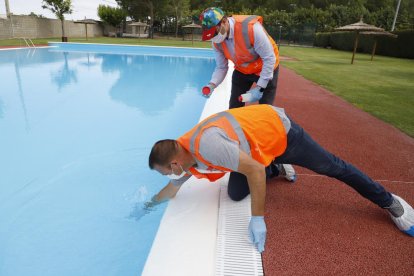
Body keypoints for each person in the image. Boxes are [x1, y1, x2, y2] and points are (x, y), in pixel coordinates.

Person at [148, 105, 414, 253]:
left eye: (167, 171)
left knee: (333, 167)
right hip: (257, 147)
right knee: (236, 193)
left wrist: (257, 218)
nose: (171, 175)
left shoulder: (207, 146)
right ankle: (276, 168)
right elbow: (174, 185)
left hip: (283, 136)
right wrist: (148, 207)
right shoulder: (183, 151)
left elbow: (252, 171)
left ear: (174, 163)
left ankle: (389, 201)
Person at [199, 7, 296, 182]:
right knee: (233, 113)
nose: (213, 37)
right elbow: (222, 67)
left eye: (214, 32)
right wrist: (211, 84)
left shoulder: (251, 28)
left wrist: (260, 88)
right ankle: (240, 156)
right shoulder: (216, 40)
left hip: (267, 69)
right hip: (242, 70)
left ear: (223, 22)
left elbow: (269, 59)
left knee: (267, 116)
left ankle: (282, 161)